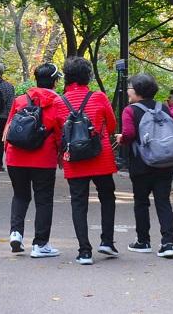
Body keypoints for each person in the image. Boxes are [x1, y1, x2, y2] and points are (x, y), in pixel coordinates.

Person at [58, 56, 118, 265]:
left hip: (74, 159)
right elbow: (111, 126)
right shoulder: (99, 97)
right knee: (107, 197)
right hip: (100, 156)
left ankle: (84, 251)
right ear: (88, 75)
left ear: (67, 76)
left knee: (78, 202)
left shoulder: (59, 101)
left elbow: (59, 133)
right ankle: (107, 241)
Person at [3, 63, 66, 259]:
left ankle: (16, 233)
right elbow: (60, 132)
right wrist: (60, 154)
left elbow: (9, 128)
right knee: (44, 200)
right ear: (55, 81)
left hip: (16, 157)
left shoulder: (20, 99)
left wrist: (7, 152)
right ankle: (40, 244)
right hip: (43, 158)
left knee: (20, 196)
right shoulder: (58, 102)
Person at [119, 73, 173, 257]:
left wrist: (121, 139)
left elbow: (128, 134)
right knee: (163, 202)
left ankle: (143, 241)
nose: (128, 91)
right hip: (166, 162)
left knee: (141, 202)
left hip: (142, 163)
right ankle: (168, 243)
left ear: (137, 91)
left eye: (130, 87)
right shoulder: (164, 108)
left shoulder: (131, 110)